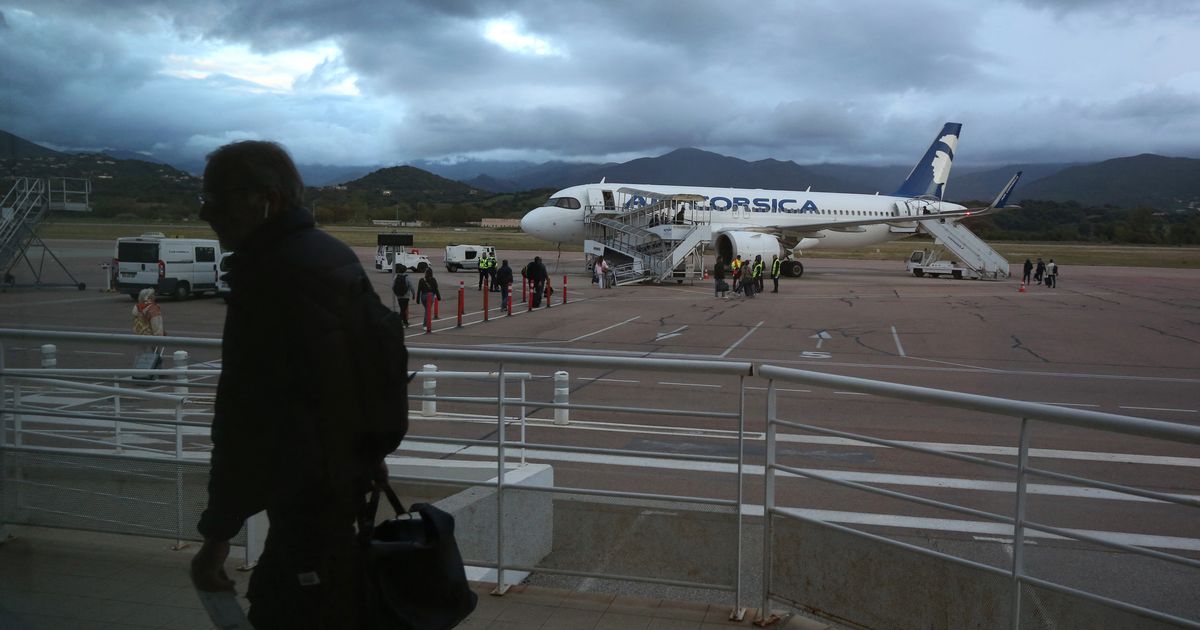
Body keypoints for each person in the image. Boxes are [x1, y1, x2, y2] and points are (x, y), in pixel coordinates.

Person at [191, 140, 399, 629]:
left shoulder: (270, 278)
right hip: (344, 479)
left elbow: (242, 416)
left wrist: (217, 536)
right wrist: (371, 455)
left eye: (218, 198)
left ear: (268, 199)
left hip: (304, 489)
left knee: (289, 606)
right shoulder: (332, 254)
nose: (206, 212)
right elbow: (369, 368)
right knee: (331, 595)